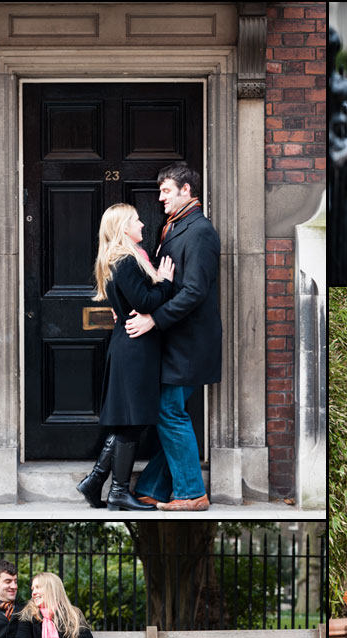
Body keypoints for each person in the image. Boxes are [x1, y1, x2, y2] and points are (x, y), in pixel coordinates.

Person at [124, 161, 221, 512]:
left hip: (190, 342)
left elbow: (194, 292)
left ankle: (192, 493)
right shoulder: (176, 227)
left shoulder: (200, 232)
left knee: (169, 411)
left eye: (167, 190)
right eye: (161, 191)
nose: (161, 197)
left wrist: (154, 320)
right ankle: (153, 486)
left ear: (186, 191)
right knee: (170, 411)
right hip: (177, 341)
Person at [76, 203, 174, 511]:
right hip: (135, 348)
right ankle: (116, 490)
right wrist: (166, 282)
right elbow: (144, 301)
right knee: (131, 421)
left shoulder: (122, 260)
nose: (142, 224)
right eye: (136, 220)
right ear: (123, 229)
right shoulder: (126, 262)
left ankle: (96, 481)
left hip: (131, 345)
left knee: (129, 422)